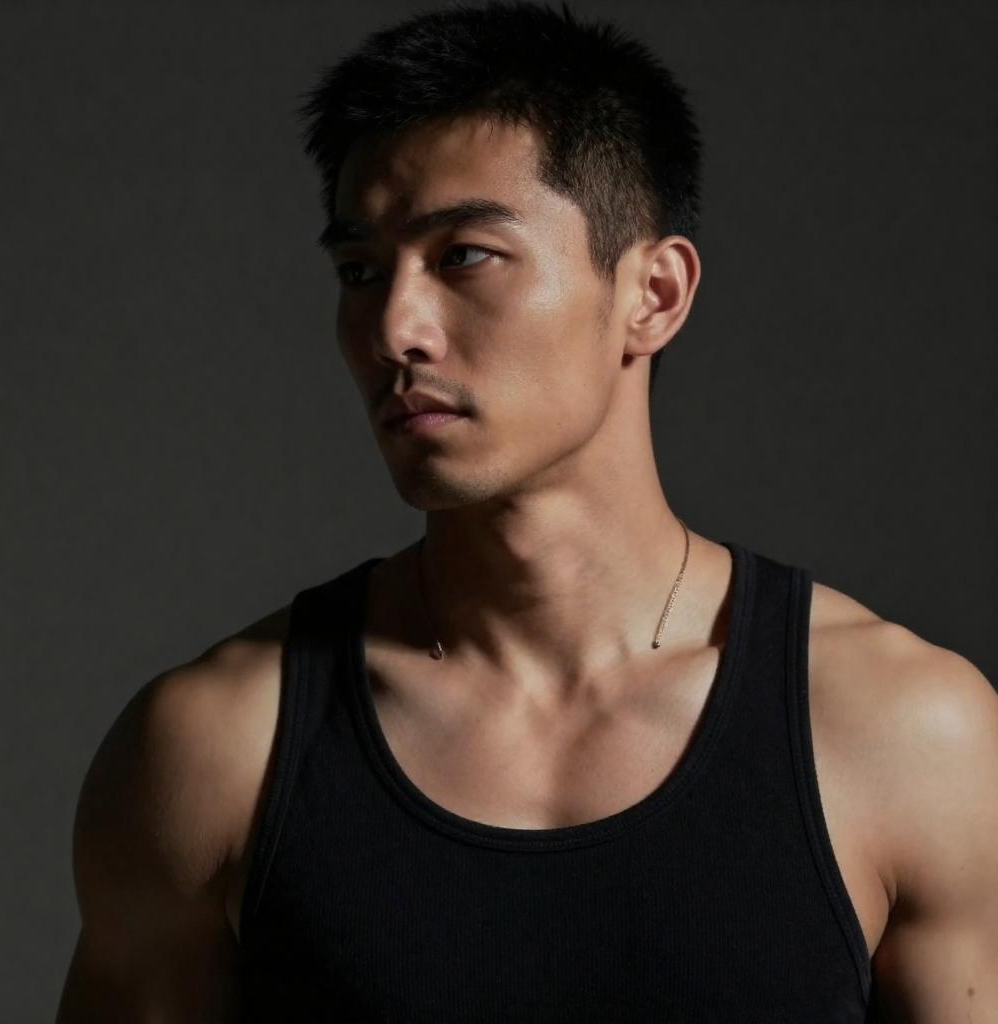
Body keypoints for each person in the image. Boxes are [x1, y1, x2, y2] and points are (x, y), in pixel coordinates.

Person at [56, 2, 998, 1021]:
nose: (394, 328)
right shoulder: (216, 747)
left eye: (464, 255)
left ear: (653, 294)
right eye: (360, 272)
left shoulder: (903, 734)